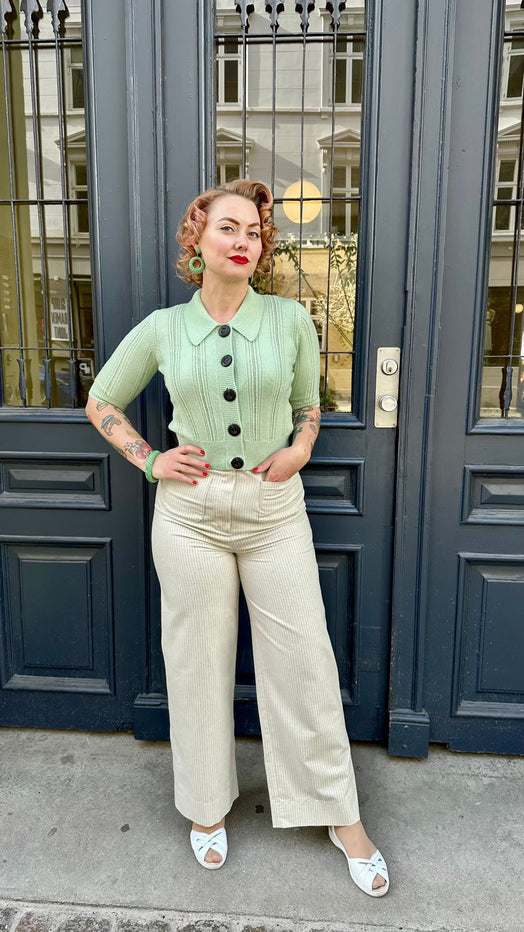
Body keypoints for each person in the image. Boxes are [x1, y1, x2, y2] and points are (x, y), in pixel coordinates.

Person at [85, 179, 389, 896]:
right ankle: (206, 806)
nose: (244, 241)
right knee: (195, 664)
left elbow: (309, 404)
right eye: (228, 227)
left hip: (273, 510)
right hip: (189, 517)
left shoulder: (289, 319)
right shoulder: (164, 328)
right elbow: (101, 400)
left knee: (305, 661)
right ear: (197, 240)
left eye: (254, 231)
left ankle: (338, 814)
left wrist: (302, 448)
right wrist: (151, 460)